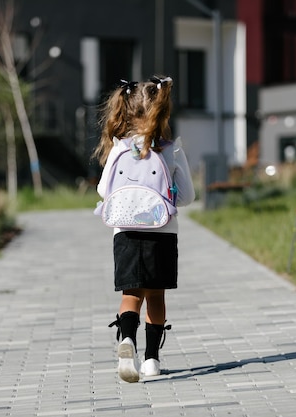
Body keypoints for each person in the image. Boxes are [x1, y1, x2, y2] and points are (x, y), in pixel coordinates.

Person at [93, 75, 195, 383]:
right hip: (163, 232)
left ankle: (127, 340)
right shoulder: (170, 150)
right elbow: (188, 196)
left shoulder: (118, 148)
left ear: (126, 108)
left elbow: (102, 191)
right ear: (162, 110)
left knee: (131, 294)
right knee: (156, 296)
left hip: (124, 231)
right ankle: (152, 359)